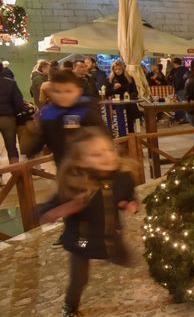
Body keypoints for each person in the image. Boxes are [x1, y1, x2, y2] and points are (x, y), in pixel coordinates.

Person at [39, 127, 138, 317]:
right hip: (81, 240)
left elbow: (127, 194)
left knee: (126, 258)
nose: (107, 156)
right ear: (81, 161)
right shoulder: (74, 183)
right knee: (79, 279)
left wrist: (129, 203)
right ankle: (70, 307)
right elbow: (46, 210)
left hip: (109, 235)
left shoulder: (122, 177)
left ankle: (112, 257)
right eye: (96, 154)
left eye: (109, 149)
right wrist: (58, 211)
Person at [28, 70, 105, 164]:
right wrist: (32, 151)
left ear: (78, 91)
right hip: (63, 165)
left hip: (89, 164)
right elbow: (43, 136)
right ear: (50, 92)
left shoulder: (85, 110)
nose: (63, 96)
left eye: (68, 91)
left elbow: (102, 133)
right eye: (57, 91)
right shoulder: (48, 113)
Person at [0, 62, 25, 163]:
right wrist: (14, 114)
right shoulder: (10, 83)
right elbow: (19, 103)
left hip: (8, 116)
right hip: (8, 119)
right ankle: (16, 174)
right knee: (11, 147)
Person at [167, 58, 188, 123]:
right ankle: (181, 118)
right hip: (184, 88)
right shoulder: (184, 69)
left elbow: (175, 80)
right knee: (181, 104)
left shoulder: (178, 71)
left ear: (174, 63)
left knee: (182, 104)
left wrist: (176, 87)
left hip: (180, 89)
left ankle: (184, 118)